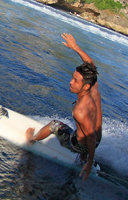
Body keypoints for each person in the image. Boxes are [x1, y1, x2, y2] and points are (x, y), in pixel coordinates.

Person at [26, 33, 103, 181]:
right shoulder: (94, 90)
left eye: (75, 80)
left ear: (85, 86)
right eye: (72, 78)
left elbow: (91, 137)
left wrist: (89, 161)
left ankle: (32, 140)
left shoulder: (79, 110)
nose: (70, 82)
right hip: (98, 139)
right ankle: (83, 158)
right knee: (83, 130)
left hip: (84, 144)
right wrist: (75, 48)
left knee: (54, 124)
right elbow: (91, 66)